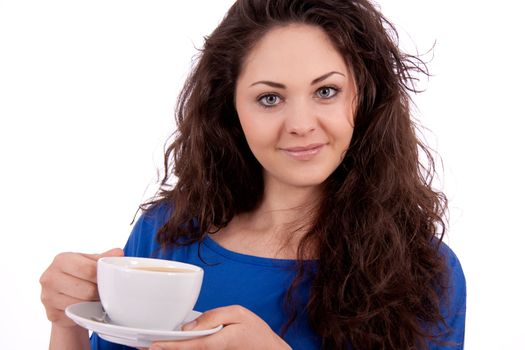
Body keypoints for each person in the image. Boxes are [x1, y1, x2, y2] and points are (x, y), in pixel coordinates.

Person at [39, 0, 467, 349]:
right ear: (232, 109)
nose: (300, 123)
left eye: (326, 91)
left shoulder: (427, 270)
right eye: (269, 98)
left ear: (365, 98)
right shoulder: (166, 234)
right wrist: (67, 325)